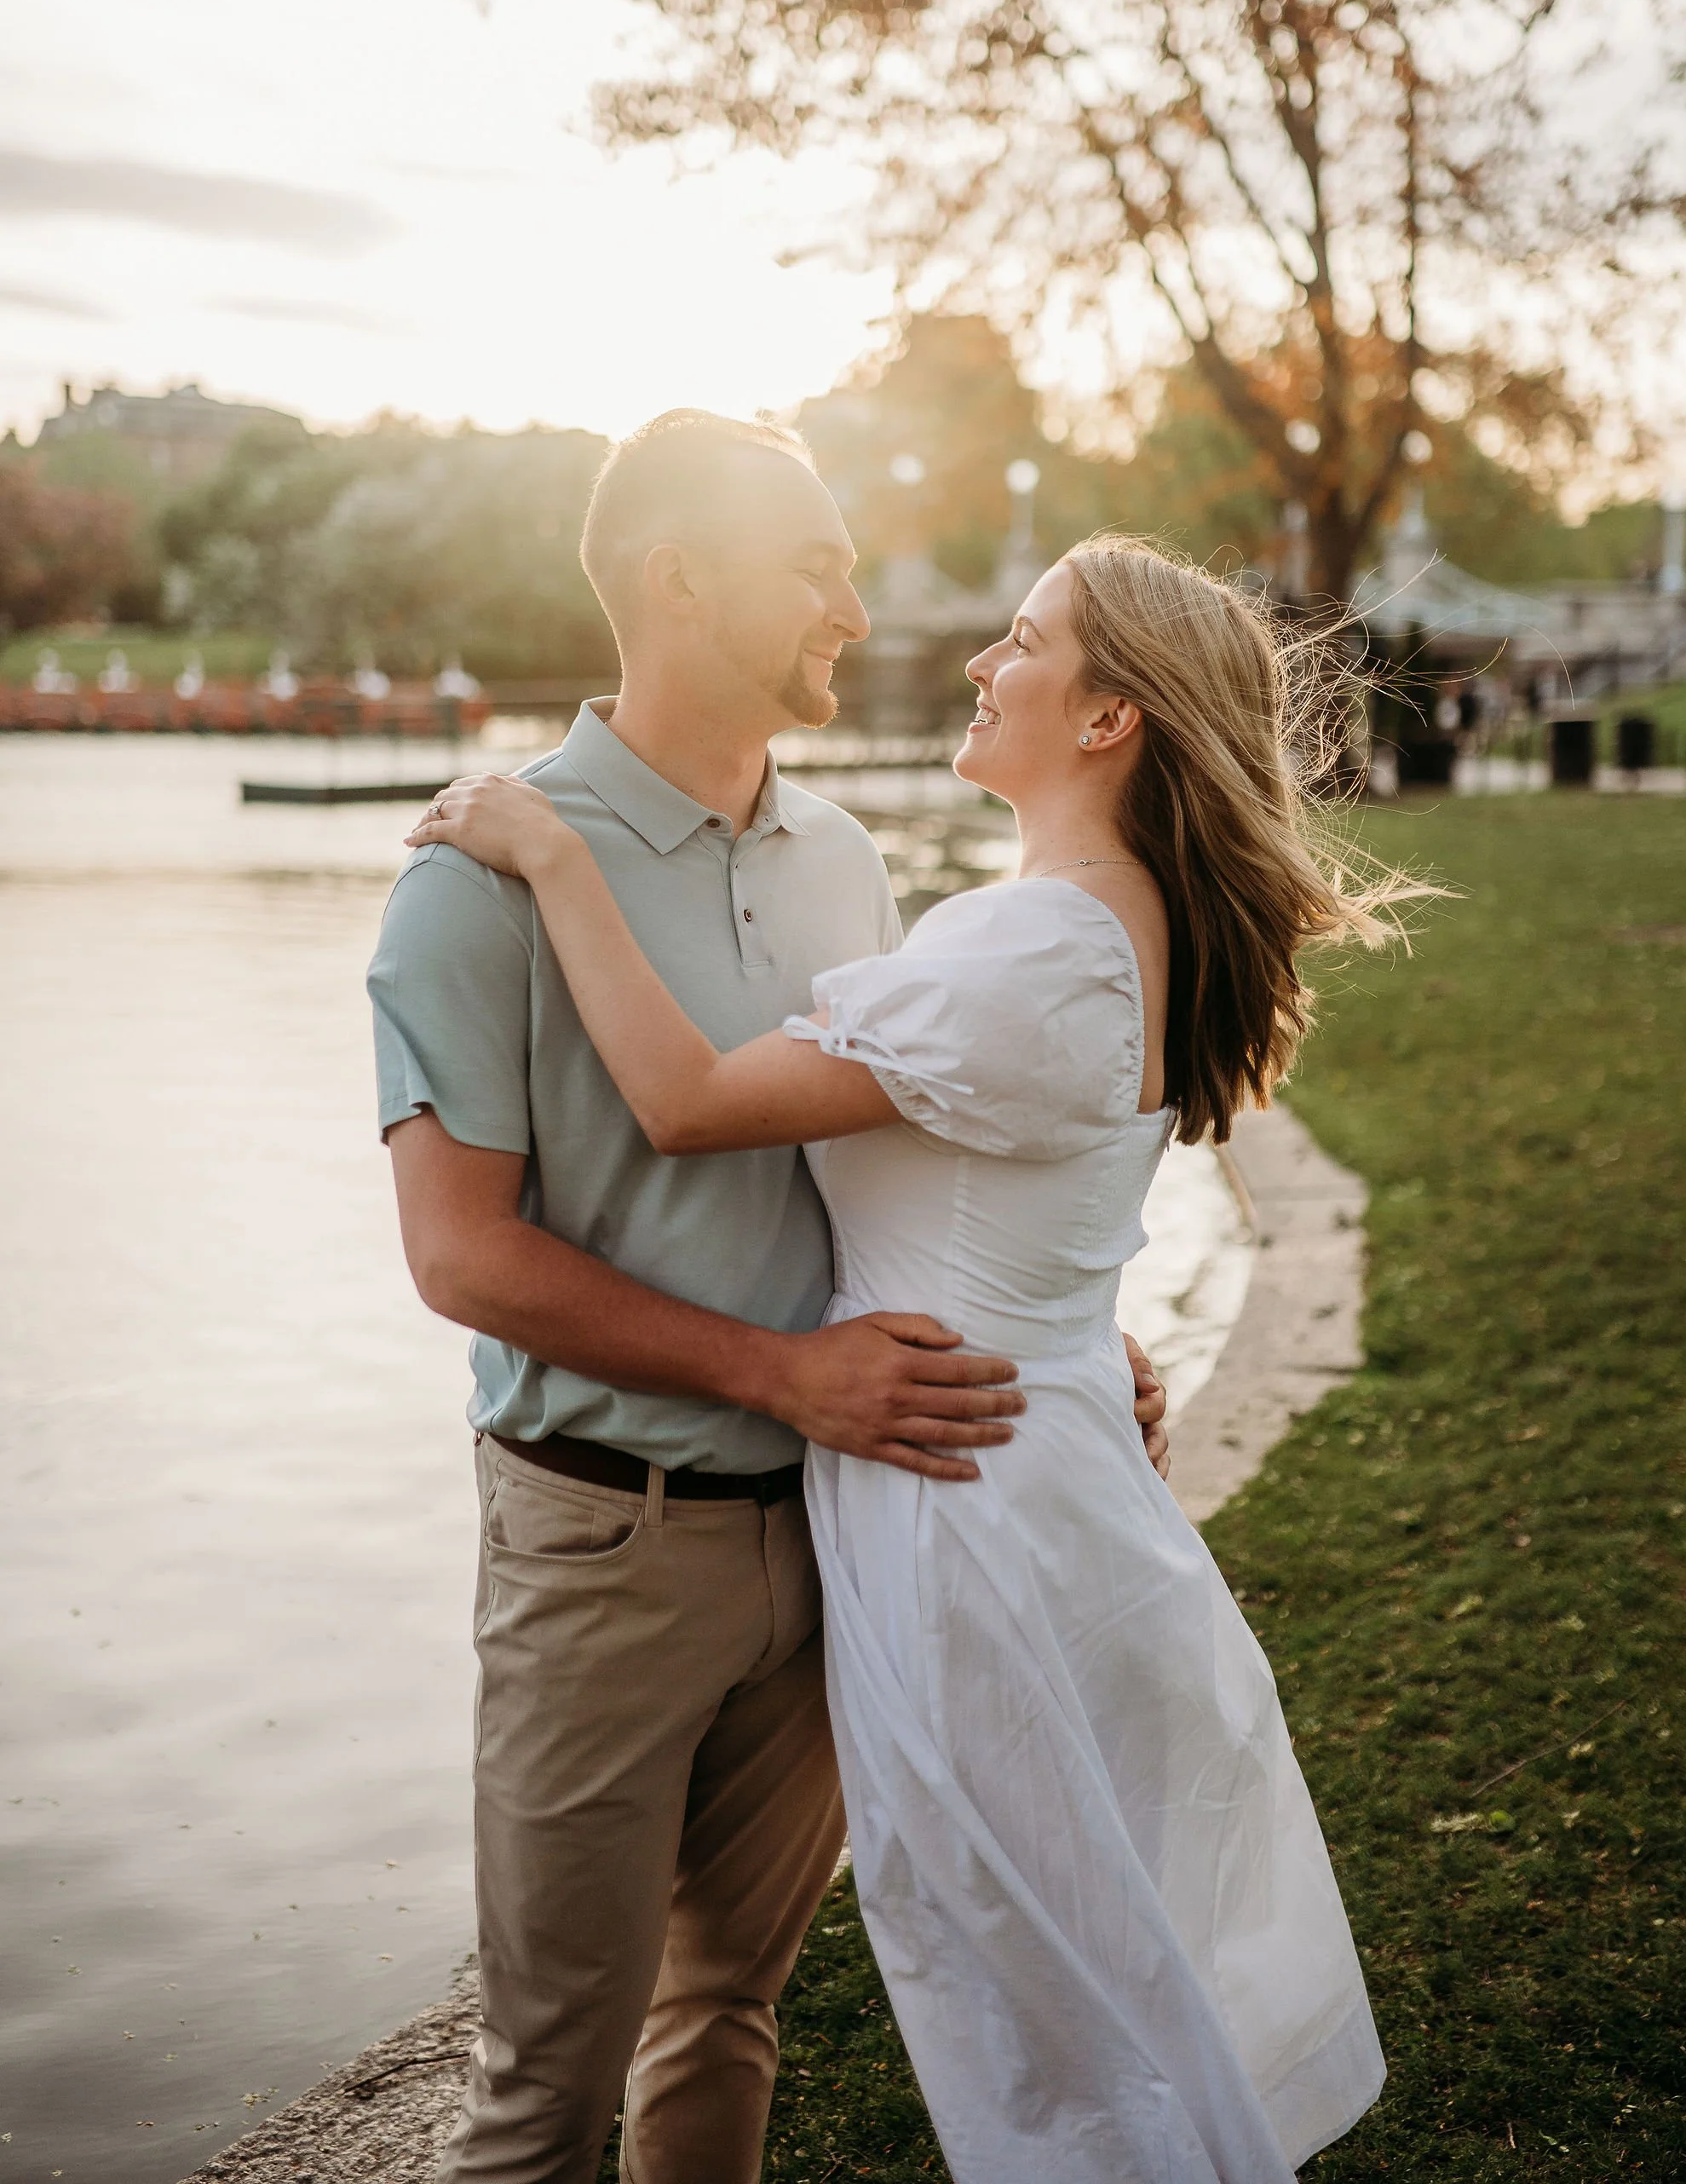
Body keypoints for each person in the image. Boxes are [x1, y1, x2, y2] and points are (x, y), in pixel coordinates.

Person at [411, 531, 1413, 2184]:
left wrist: (556, 859)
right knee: (1071, 1960)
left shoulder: (1032, 945)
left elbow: (686, 1108)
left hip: (965, 1509)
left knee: (1037, 1988)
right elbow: (1016, 1189)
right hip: (1020, 1449)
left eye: (1021, 642)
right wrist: (1088, 1334)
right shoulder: (1083, 919)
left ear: (1109, 723)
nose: (975, 662)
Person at [369, 411, 1169, 2184]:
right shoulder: (476, 871)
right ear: (677, 578)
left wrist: (1058, 1340)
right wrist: (777, 1372)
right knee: (542, 2086)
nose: (851, 598)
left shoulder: (846, 863)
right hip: (605, 1544)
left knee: (727, 2012)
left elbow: (878, 1155)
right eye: (811, 561)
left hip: (835, 1528)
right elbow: (459, 1258)